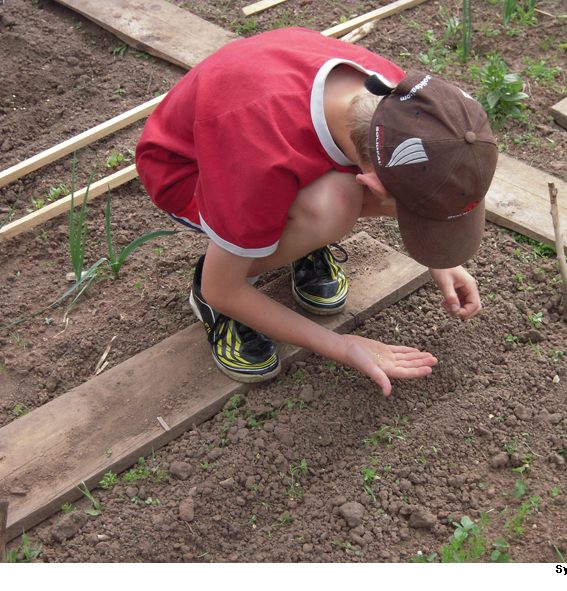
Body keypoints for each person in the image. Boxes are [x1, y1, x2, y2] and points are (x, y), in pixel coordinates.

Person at [135, 28, 498, 397]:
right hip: (187, 170)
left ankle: (300, 237)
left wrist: (439, 258)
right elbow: (221, 288)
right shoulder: (257, 159)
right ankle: (228, 281)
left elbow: (422, 176)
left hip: (268, 136)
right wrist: (344, 346)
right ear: (372, 183)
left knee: (335, 201)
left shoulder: (401, 101)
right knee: (333, 208)